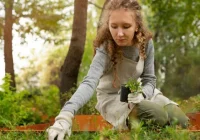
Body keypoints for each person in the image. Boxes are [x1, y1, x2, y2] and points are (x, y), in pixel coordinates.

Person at [47, 0, 189, 139]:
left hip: (138, 93)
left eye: (126, 26)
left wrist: (143, 94)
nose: (119, 33)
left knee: (181, 121)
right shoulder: (104, 48)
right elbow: (89, 83)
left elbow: (150, 80)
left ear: (137, 26)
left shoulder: (146, 43)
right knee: (158, 116)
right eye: (114, 26)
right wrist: (66, 114)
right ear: (108, 25)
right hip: (112, 98)